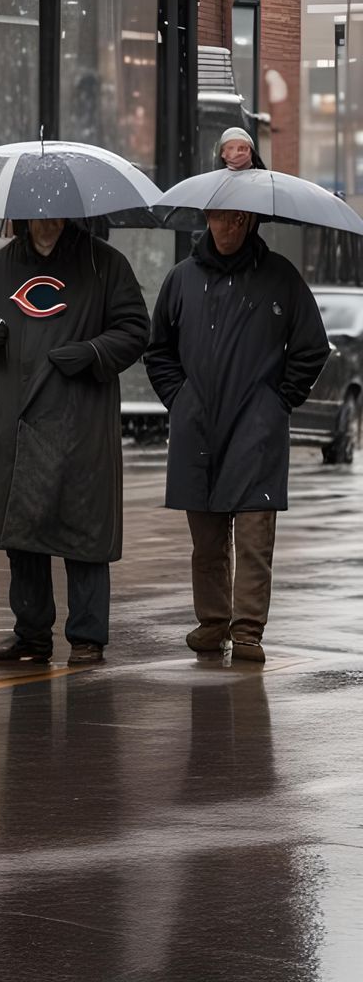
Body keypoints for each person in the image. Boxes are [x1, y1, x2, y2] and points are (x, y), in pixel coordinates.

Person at [0, 217, 149, 667]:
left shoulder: (105, 264)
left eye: (55, 209)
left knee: (83, 528)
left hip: (81, 419)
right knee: (22, 530)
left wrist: (94, 352)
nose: (45, 218)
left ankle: (86, 636)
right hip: (17, 416)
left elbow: (136, 329)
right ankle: (31, 634)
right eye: (36, 210)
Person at [144, 208, 328, 663]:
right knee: (206, 540)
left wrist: (278, 401)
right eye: (222, 218)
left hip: (256, 426)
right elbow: (158, 349)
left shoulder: (280, 276)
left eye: (239, 220)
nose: (230, 228)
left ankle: (247, 631)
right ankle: (212, 623)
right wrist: (180, 399)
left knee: (253, 537)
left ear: (250, 223)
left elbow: (312, 347)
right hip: (197, 425)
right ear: (208, 218)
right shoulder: (182, 279)